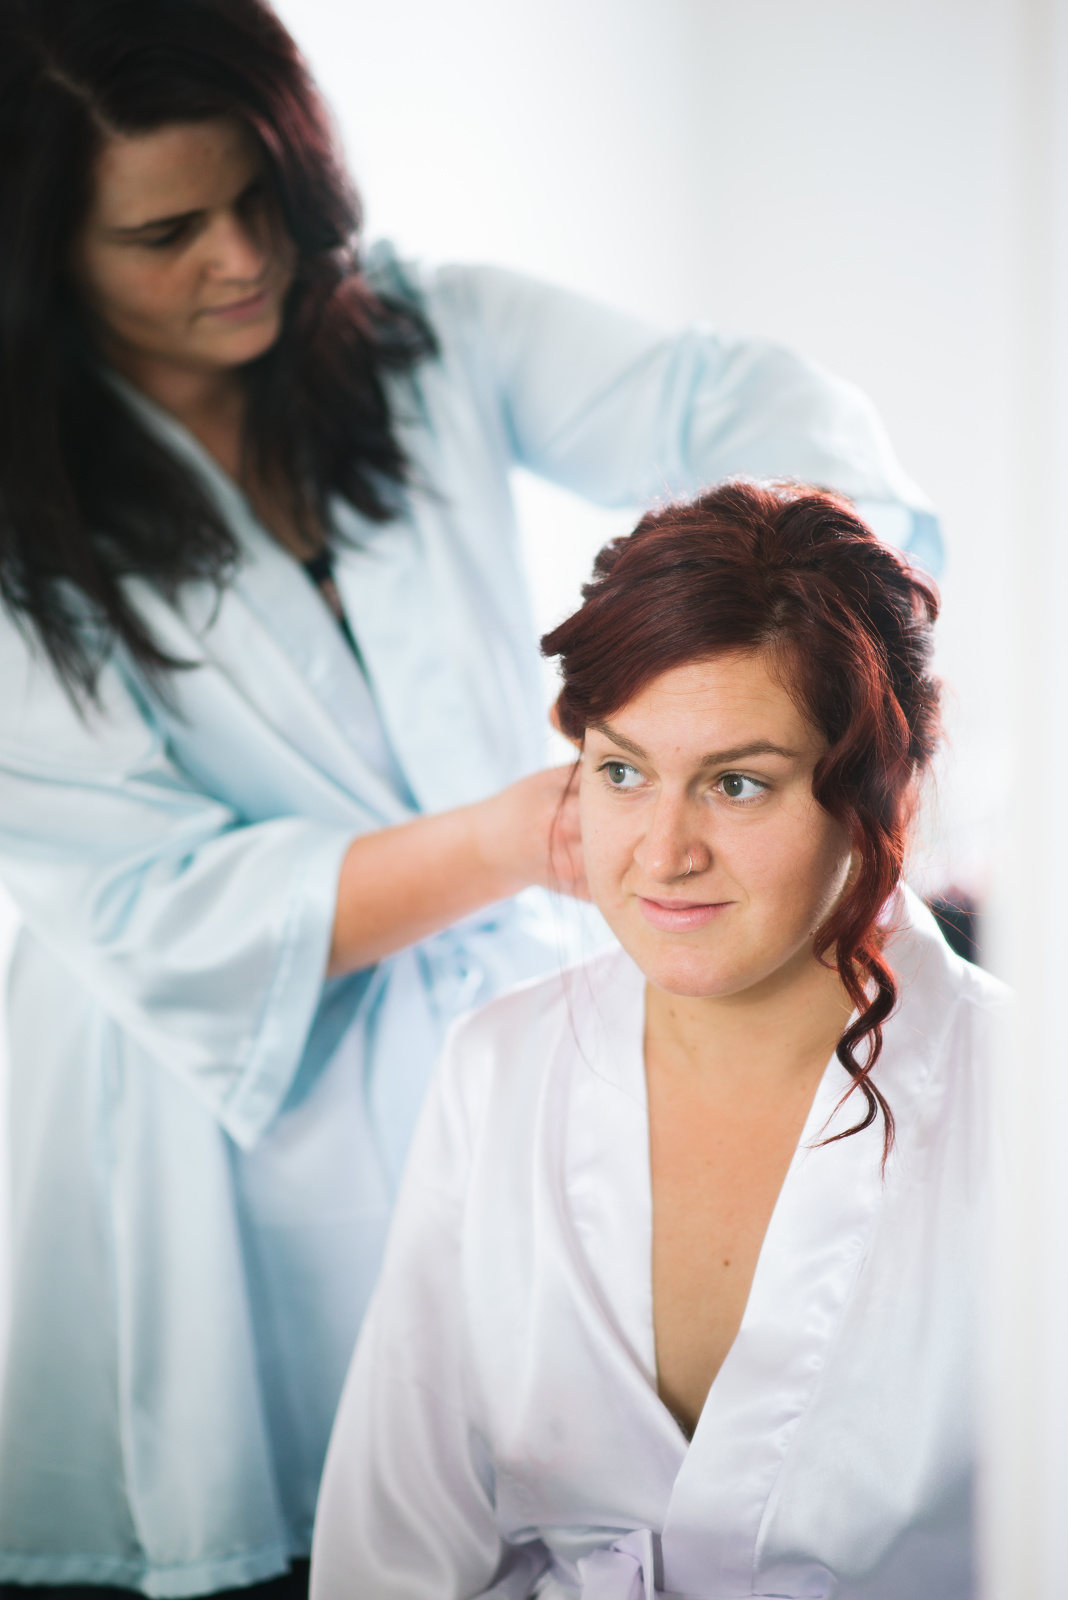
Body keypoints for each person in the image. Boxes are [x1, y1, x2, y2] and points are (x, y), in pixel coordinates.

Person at [0, 0, 937, 1593]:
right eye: (166, 233)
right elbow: (157, 908)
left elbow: (758, 411)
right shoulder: (28, 524)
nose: (243, 257)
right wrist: (524, 835)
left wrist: (768, 629)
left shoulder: (426, 337)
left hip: (484, 1005)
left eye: (264, 196)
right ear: (40, 255)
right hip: (190, 1119)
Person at [310, 482, 1003, 1600]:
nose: (663, 853)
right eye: (623, 772)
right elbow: (393, 1552)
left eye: (738, 784)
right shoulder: (497, 1067)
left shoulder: (1025, 1102)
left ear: (882, 789)